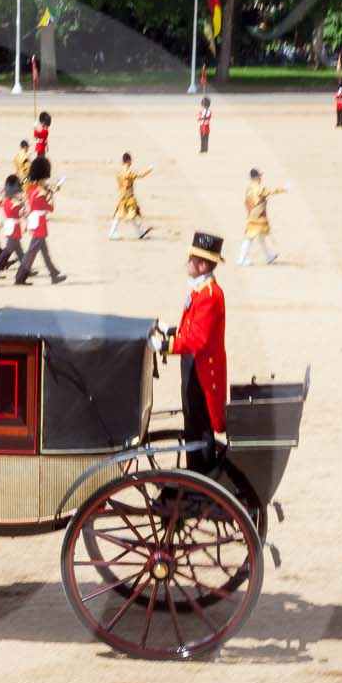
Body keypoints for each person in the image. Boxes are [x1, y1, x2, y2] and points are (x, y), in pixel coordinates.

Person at [155, 232, 228, 475]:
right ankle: (196, 471)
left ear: (203, 264)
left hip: (201, 366)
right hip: (193, 362)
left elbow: (198, 339)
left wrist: (166, 346)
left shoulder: (209, 295)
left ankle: (203, 474)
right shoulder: (201, 290)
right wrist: (171, 331)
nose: (188, 262)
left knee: (200, 423)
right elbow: (192, 327)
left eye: (192, 259)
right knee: (192, 420)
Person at [239, 168, 286, 266]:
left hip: (253, 214)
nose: (261, 178)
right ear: (257, 177)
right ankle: (242, 260)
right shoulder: (257, 187)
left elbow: (247, 202)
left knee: (261, 237)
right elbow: (269, 191)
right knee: (250, 238)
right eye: (260, 176)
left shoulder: (250, 187)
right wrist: (283, 189)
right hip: (258, 216)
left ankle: (269, 256)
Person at [108, 152, 152, 240]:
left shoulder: (119, 172)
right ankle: (112, 233)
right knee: (131, 214)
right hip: (129, 197)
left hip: (122, 196)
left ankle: (140, 233)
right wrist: (149, 169)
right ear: (128, 161)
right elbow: (140, 175)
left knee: (121, 215)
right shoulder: (128, 172)